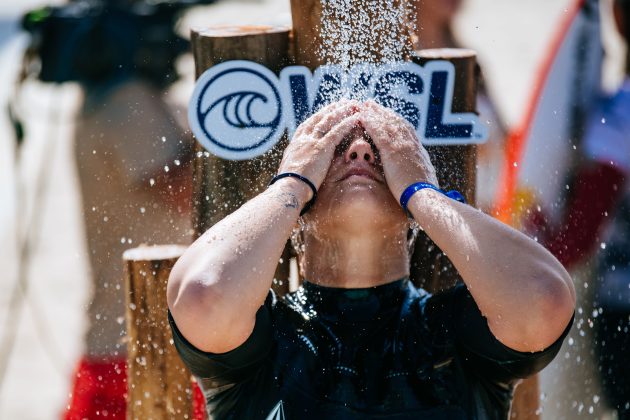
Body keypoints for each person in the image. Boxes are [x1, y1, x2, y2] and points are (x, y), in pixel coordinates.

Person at [167, 99, 575, 419]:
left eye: (383, 150)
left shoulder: (450, 335)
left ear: (413, 215)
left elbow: (544, 299)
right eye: (335, 146)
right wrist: (289, 184)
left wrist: (422, 192)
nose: (361, 150)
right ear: (295, 211)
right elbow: (204, 295)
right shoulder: (269, 339)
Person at [413, 0, 507, 211]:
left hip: (487, 209)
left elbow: (503, 137)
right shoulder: (399, 65)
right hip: (434, 213)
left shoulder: (471, 61)